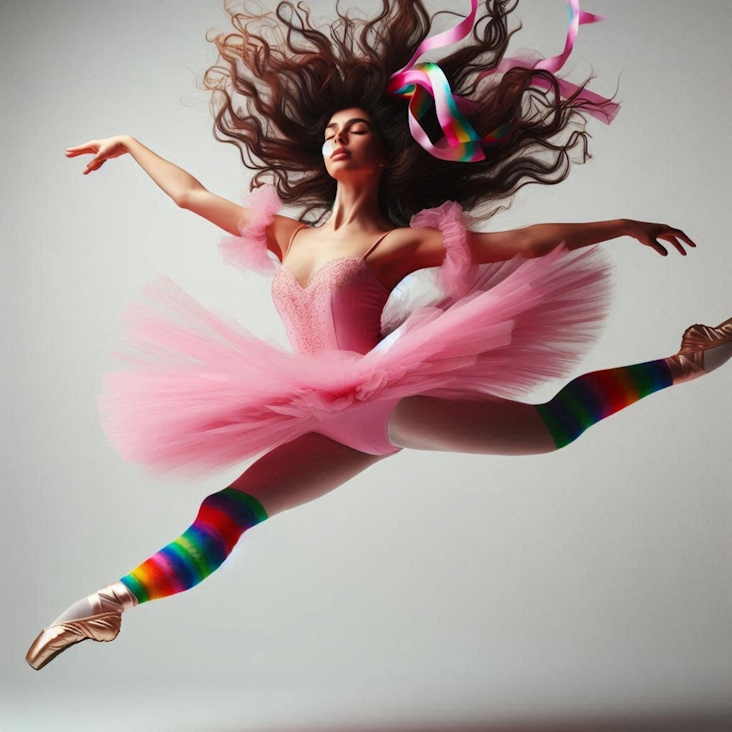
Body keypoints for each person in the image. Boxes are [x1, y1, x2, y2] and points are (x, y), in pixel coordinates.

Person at [26, 0, 731, 671]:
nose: (337, 137)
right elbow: (190, 195)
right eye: (331, 131)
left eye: (354, 129)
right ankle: (111, 602)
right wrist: (130, 144)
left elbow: (523, 238)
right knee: (227, 510)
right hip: (328, 419)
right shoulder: (284, 234)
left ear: (385, 153)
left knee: (553, 428)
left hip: (381, 394)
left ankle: (687, 360)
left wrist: (617, 225)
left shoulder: (395, 244)